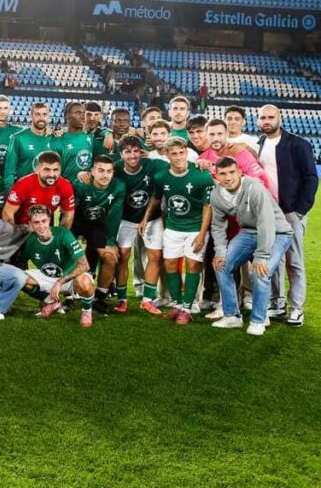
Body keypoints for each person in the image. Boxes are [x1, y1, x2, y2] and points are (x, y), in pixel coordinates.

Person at [209, 158, 293, 336]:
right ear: (217, 176)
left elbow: (266, 222)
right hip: (248, 232)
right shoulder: (216, 194)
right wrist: (220, 252)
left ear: (240, 172)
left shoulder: (255, 188)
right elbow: (217, 225)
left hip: (277, 232)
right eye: (223, 174)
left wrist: (261, 256)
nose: (228, 177)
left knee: (259, 271)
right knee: (221, 265)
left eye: (232, 172)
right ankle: (232, 316)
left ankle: (258, 320)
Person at [140, 138, 214, 325]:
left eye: (182, 152)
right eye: (174, 153)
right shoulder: (161, 176)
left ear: (186, 152)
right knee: (170, 265)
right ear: (167, 155)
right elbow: (156, 199)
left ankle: (187, 308)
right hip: (172, 228)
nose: (179, 157)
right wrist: (145, 218)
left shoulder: (201, 175)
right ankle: (177, 304)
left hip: (195, 228)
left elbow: (208, 207)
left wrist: (202, 234)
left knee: (192, 265)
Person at [257, 104, 317, 325]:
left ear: (280, 118)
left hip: (291, 212)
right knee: (273, 261)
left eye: (271, 117)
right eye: (263, 117)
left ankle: (297, 308)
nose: (267, 121)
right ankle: (277, 303)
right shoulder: (261, 143)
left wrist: (301, 210)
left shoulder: (298, 144)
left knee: (294, 261)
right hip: (269, 213)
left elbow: (311, 177)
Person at [113, 134, 167, 315]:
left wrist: (200, 163)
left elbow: (177, 164)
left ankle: (147, 300)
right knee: (122, 255)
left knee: (155, 255)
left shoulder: (153, 164)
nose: (133, 155)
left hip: (151, 217)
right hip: (126, 218)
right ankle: (121, 299)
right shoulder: (115, 169)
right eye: (127, 152)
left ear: (141, 152)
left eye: (136, 151)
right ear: (121, 154)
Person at [19, 205, 96, 327]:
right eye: (36, 222)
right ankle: (50, 302)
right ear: (30, 224)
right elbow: (21, 263)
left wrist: (60, 282)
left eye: (44, 221)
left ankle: (87, 311)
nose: (41, 226)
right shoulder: (30, 241)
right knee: (17, 278)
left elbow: (84, 265)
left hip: (69, 277)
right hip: (48, 276)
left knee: (85, 283)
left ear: (49, 220)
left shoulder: (63, 234)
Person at [71, 156, 125, 313]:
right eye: (100, 170)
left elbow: (115, 215)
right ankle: (70, 296)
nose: (105, 175)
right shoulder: (81, 185)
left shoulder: (119, 187)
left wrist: (110, 241)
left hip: (98, 225)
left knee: (110, 256)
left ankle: (99, 297)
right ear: (92, 172)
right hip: (77, 223)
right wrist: (69, 238)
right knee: (72, 256)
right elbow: (69, 213)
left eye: (109, 171)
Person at [199, 119, 273, 197]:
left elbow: (262, 183)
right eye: (211, 134)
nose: (216, 139)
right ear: (206, 135)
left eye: (220, 134)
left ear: (226, 134)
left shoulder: (241, 153)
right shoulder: (202, 159)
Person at [2, 151, 76, 228]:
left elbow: (68, 215)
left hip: (45, 227)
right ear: (37, 169)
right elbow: (7, 213)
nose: (51, 174)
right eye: (47, 170)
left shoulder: (65, 186)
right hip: (22, 228)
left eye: (55, 170)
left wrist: (60, 236)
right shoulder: (23, 184)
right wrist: (14, 236)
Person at [3, 102, 54, 187]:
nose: (41, 118)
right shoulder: (18, 138)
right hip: (24, 190)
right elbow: (9, 171)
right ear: (31, 116)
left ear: (48, 117)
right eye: (37, 114)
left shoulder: (54, 138)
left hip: (48, 192)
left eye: (44, 114)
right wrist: (9, 192)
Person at [54, 101, 94, 184]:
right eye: (78, 113)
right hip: (66, 188)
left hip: (86, 189)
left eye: (84, 113)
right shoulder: (58, 139)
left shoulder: (90, 137)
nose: (83, 116)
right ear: (67, 116)